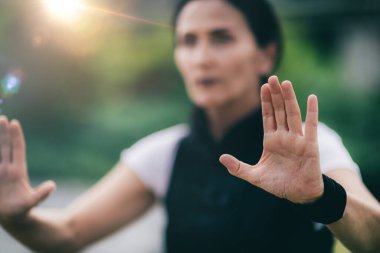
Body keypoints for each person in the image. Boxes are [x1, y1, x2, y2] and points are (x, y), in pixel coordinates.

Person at [0, 0, 379, 252]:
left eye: (221, 38)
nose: (201, 57)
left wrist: (321, 197)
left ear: (266, 53)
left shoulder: (314, 148)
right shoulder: (164, 153)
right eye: (187, 41)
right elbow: (67, 233)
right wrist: (15, 216)